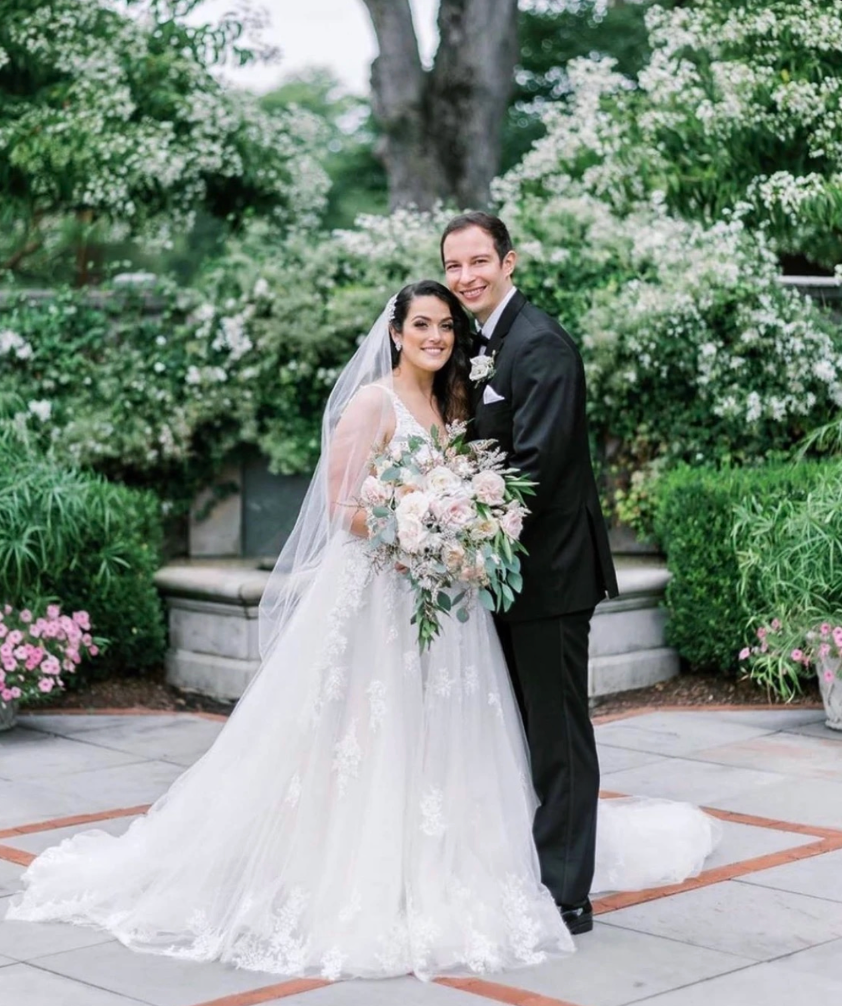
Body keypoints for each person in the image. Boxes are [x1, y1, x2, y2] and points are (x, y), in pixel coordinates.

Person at [7, 280, 718, 982]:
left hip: (444, 601)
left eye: (446, 326)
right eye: (422, 325)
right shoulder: (372, 404)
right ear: (395, 333)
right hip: (378, 596)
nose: (435, 336)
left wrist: (453, 532)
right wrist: (413, 527)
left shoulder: (454, 403)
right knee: (367, 733)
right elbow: (341, 508)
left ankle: (460, 858)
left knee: (446, 733)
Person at [441, 212, 618, 934]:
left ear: (508, 262)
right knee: (517, 729)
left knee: (557, 737)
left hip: (550, 576)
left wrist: (456, 516)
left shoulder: (541, 345)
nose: (466, 277)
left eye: (478, 261)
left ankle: (567, 893)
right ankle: (529, 865)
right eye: (454, 266)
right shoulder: (482, 343)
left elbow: (537, 468)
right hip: (501, 574)